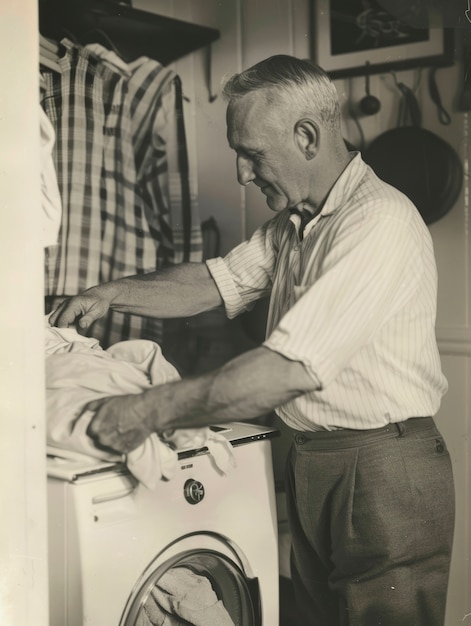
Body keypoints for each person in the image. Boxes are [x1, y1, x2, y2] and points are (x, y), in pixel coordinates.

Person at [49, 55, 455, 626]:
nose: (242, 173)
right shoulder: (296, 223)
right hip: (319, 458)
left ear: (307, 137)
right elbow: (216, 281)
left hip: (382, 464)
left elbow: (289, 368)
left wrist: (144, 409)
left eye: (252, 154)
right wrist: (111, 293)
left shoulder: (377, 221)